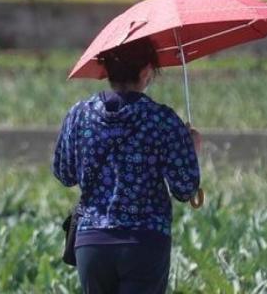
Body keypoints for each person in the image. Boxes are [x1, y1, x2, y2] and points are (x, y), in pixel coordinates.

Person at [53, 38, 201, 294]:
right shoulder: (162, 119)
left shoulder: (79, 114)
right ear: (145, 72)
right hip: (145, 242)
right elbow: (185, 188)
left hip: (91, 242)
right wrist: (191, 150)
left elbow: (64, 173)